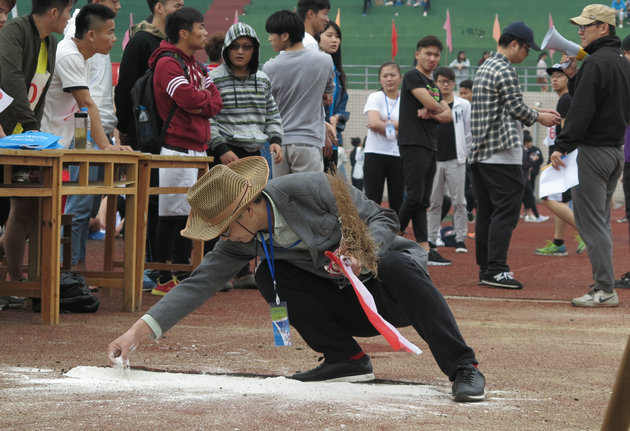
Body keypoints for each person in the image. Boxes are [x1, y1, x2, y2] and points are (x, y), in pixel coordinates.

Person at [108, 156, 487, 403]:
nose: (222, 238)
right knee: (271, 276)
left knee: (398, 264)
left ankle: (463, 367)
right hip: (347, 307)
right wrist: (136, 334)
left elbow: (383, 219)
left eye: (223, 227)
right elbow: (197, 285)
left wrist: (360, 253)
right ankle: (346, 359)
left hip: (391, 291)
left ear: (250, 208)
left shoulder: (313, 187)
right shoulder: (243, 242)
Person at [469, 21, 560, 289]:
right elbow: (516, 109)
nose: (528, 55)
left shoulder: (486, 65)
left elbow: (506, 106)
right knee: (506, 211)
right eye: (526, 49)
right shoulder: (505, 68)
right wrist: (540, 116)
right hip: (501, 152)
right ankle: (497, 268)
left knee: (486, 212)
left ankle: (486, 267)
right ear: (514, 44)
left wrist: (532, 110)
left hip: (482, 153)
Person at [551, 4, 630, 307]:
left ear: (604, 28)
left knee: (591, 223)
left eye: (587, 25)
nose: (580, 31)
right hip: (614, 151)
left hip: (593, 153)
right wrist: (574, 76)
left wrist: (562, 144)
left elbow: (581, 110)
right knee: (600, 222)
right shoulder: (622, 62)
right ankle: (604, 283)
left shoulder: (596, 62)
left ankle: (604, 289)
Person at [149, 7, 223, 295]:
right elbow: (185, 97)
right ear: (184, 33)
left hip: (196, 147)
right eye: (200, 27)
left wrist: (199, 103)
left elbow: (214, 102)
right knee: (172, 214)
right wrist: (201, 102)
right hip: (175, 147)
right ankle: (164, 276)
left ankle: (179, 270)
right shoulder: (167, 63)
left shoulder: (196, 65)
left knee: (190, 214)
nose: (205, 33)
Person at [0, 0, 74, 284]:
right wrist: (31, 129)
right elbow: (12, 79)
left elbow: (39, 94)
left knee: (26, 206)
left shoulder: (51, 42)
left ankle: (18, 283)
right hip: (10, 136)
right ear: (54, 12)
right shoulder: (16, 31)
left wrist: (35, 135)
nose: (69, 18)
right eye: (68, 12)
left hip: (24, 139)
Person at [207, 22, 284, 289]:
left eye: (247, 47)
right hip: (227, 152)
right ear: (226, 49)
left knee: (252, 215)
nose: (241, 51)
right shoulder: (213, 78)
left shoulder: (262, 79)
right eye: (235, 46)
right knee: (223, 213)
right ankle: (216, 274)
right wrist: (220, 148)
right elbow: (209, 118)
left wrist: (275, 140)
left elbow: (272, 114)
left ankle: (242, 273)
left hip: (257, 152)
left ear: (255, 50)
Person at [55, 0, 128, 271]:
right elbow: (87, 102)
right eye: (110, 32)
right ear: (91, 35)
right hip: (62, 141)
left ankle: (75, 270)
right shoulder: (70, 53)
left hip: (77, 137)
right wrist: (104, 145)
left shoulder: (83, 55)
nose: (114, 37)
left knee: (84, 208)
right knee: (77, 207)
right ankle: (66, 271)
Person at [397, 35, 453, 266]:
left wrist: (432, 111)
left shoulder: (432, 85)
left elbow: (448, 115)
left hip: (430, 144)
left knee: (422, 199)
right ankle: (388, 238)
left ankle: (424, 248)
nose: (432, 58)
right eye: (427, 53)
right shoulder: (412, 76)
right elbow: (435, 106)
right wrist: (434, 109)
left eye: (436, 55)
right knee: (415, 196)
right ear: (417, 54)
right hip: (413, 142)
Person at [262, 10, 335, 177]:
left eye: (272, 33)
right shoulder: (324, 61)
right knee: (309, 199)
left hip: (279, 144)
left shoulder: (269, 67)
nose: (269, 38)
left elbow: (267, 105)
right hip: (308, 142)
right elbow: (328, 94)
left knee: (282, 199)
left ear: (285, 36)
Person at [115, 0, 184, 151]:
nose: (181, 12)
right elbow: (126, 87)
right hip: (145, 131)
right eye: (177, 6)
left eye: (182, 6)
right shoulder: (140, 41)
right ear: (159, 7)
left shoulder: (177, 43)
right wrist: (124, 127)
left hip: (173, 131)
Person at [534, 63, 585, 257]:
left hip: (562, 156)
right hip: (565, 154)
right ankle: (558, 242)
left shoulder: (566, 100)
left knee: (547, 197)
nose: (554, 79)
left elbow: (566, 130)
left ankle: (585, 231)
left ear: (569, 79)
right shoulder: (566, 99)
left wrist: (560, 152)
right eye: (552, 76)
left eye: (559, 76)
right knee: (560, 199)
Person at [427, 67, 472, 254]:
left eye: (448, 81)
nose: (445, 84)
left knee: (460, 202)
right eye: (441, 81)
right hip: (435, 160)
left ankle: (460, 238)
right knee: (434, 202)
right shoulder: (430, 103)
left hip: (456, 160)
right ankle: (431, 238)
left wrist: (465, 154)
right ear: (435, 84)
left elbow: (468, 133)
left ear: (453, 83)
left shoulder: (463, 105)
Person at [362, 62, 404, 216]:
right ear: (380, 79)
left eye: (393, 75)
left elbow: (409, 125)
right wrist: (400, 130)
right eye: (385, 76)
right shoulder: (375, 97)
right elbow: (373, 123)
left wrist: (384, 124)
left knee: (397, 198)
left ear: (400, 77)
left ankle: (397, 231)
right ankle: (371, 231)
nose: (389, 79)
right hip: (375, 153)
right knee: (373, 197)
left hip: (398, 154)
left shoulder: (406, 100)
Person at [316, 20, 349, 173]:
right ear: (318, 38)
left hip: (333, 142)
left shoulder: (339, 73)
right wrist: (324, 131)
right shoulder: (314, 67)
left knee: (330, 190)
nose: (334, 40)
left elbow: (342, 104)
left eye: (337, 36)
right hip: (315, 139)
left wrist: (336, 118)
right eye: (329, 35)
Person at [520, 130, 547, 223]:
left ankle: (529, 214)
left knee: (527, 196)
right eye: (529, 142)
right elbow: (526, 164)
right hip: (524, 178)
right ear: (526, 142)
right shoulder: (523, 151)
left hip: (526, 176)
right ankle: (533, 215)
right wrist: (532, 161)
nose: (531, 144)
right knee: (529, 196)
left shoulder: (527, 150)